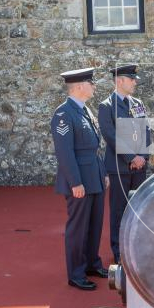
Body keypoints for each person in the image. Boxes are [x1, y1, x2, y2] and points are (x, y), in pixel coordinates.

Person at [51, 68, 109, 291]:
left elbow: (94, 148)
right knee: (78, 227)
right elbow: (65, 153)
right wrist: (75, 182)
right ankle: (76, 272)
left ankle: (92, 264)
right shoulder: (64, 114)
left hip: (93, 175)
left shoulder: (85, 110)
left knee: (94, 224)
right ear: (78, 87)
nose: (94, 86)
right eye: (90, 82)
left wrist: (102, 173)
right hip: (79, 180)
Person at [98, 64, 151, 265]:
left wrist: (143, 157)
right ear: (120, 81)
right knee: (119, 210)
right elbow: (110, 136)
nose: (135, 82)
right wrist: (131, 157)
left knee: (139, 208)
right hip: (120, 167)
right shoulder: (107, 106)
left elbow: (146, 130)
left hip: (139, 167)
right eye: (132, 79)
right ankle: (119, 250)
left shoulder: (137, 103)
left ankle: (137, 247)